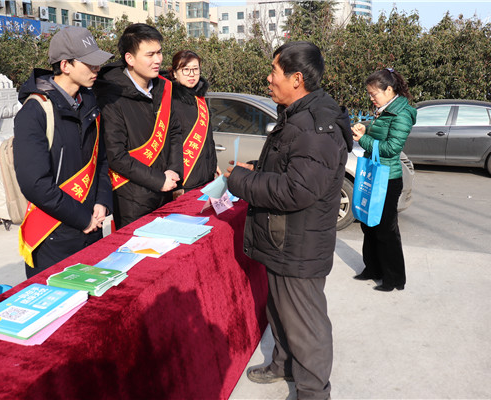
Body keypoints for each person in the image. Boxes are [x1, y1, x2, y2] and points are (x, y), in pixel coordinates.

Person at [225, 41, 352, 399]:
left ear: (297, 79)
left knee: (306, 325)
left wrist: (242, 181)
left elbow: (298, 189)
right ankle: (283, 364)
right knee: (280, 311)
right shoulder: (297, 115)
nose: (269, 79)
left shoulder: (315, 126)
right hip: (284, 238)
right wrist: (256, 170)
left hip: (299, 243)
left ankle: (313, 392)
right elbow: (289, 168)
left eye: (274, 72)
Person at [14, 26, 114, 278]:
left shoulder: (89, 104)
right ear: (65, 65)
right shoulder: (34, 112)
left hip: (93, 227)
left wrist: (102, 201)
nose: (96, 69)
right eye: (89, 63)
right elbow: (35, 184)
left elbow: (101, 160)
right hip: (53, 237)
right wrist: (83, 219)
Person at [93, 23, 183, 229]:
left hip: (166, 190)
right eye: (150, 54)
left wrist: (174, 172)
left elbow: (174, 133)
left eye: (159, 52)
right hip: (132, 199)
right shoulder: (111, 97)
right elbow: (116, 155)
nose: (158, 60)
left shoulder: (163, 88)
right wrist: (158, 180)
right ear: (130, 58)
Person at [351, 68, 416, 292]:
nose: (371, 98)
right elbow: (381, 129)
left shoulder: (402, 114)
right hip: (375, 174)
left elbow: (391, 148)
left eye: (374, 94)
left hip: (388, 179)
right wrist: (366, 126)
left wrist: (363, 139)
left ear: (389, 90)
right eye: (369, 94)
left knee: (386, 230)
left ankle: (394, 279)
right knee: (368, 224)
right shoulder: (385, 110)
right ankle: (373, 269)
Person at [167, 50, 218, 192]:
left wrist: (213, 165)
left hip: (206, 177)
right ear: (175, 73)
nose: (191, 74)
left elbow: (208, 139)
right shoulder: (170, 101)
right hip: (185, 182)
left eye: (195, 69)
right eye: (185, 69)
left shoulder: (200, 99)